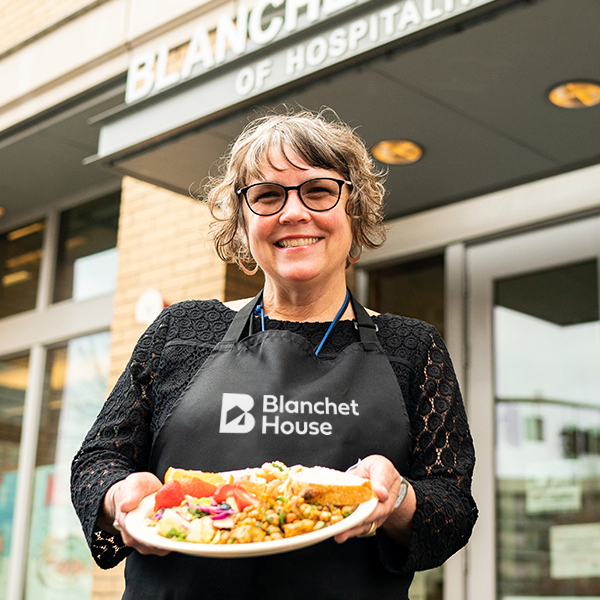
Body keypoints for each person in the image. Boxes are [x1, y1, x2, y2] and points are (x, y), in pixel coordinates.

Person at [71, 108, 477, 599]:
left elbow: (452, 507)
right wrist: (120, 499)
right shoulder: (181, 331)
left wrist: (398, 498)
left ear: (355, 209)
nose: (293, 213)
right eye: (266, 195)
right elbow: (98, 460)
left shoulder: (412, 348)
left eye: (319, 191)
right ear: (243, 225)